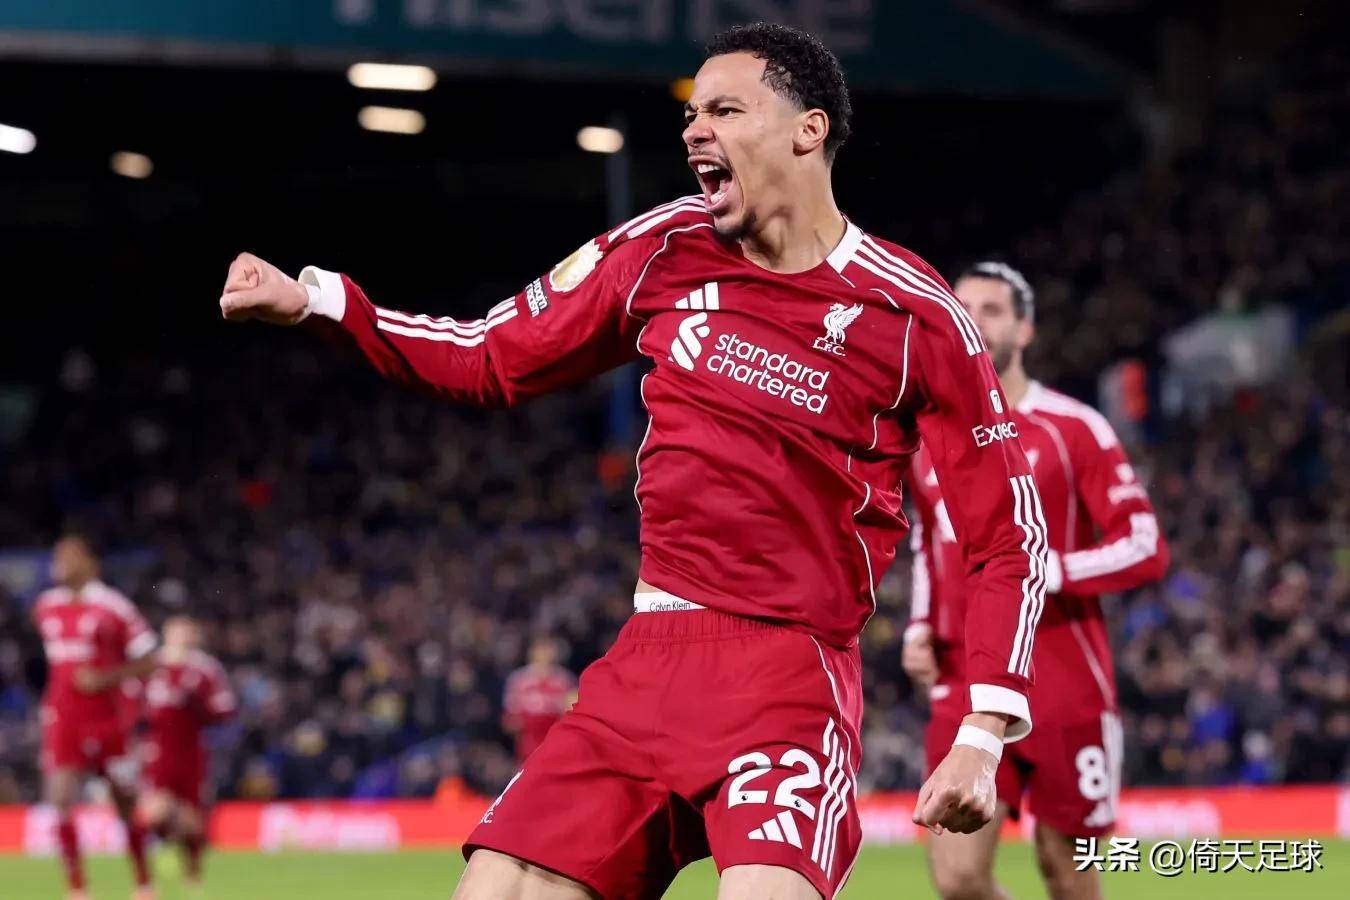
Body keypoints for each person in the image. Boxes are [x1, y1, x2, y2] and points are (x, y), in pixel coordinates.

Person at [217, 23, 1048, 900]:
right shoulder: (663, 248)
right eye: (692, 114)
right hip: (647, 659)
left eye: (725, 110)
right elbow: (489, 356)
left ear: (808, 130)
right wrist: (321, 304)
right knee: (494, 893)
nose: (695, 130)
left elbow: (1006, 538)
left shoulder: (915, 315)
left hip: (787, 678)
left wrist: (982, 732)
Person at [904, 262, 1170, 900]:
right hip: (966, 674)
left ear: (1025, 330)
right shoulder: (925, 434)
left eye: (992, 310)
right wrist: (918, 625)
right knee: (958, 879)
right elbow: (927, 541)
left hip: (1064, 679)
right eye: (963, 309)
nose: (974, 322)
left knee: (1068, 876)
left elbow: (1144, 544)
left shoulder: (1073, 428)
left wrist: (1053, 568)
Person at [34, 534, 159, 900]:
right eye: (57, 555)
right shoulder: (45, 606)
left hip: (109, 721)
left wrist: (105, 678)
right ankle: (77, 889)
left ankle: (143, 882)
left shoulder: (114, 606)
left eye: (70, 555)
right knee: (60, 797)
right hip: (64, 720)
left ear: (91, 562)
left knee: (125, 802)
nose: (61, 562)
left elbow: (150, 660)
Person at [137, 616, 236, 891]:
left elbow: (225, 710)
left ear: (195, 637)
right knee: (154, 811)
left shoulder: (206, 669)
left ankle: (192, 874)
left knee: (192, 819)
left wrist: (196, 705)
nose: (182, 638)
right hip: (157, 752)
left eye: (187, 633)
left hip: (192, 752)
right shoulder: (150, 666)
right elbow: (131, 704)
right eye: (176, 632)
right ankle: (148, 873)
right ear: (166, 634)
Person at [502, 639, 577, 763]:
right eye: (540, 650)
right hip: (528, 744)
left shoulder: (565, 681)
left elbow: (573, 713)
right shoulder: (519, 680)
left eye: (547, 650)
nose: (544, 654)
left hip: (556, 742)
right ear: (532, 653)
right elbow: (509, 718)